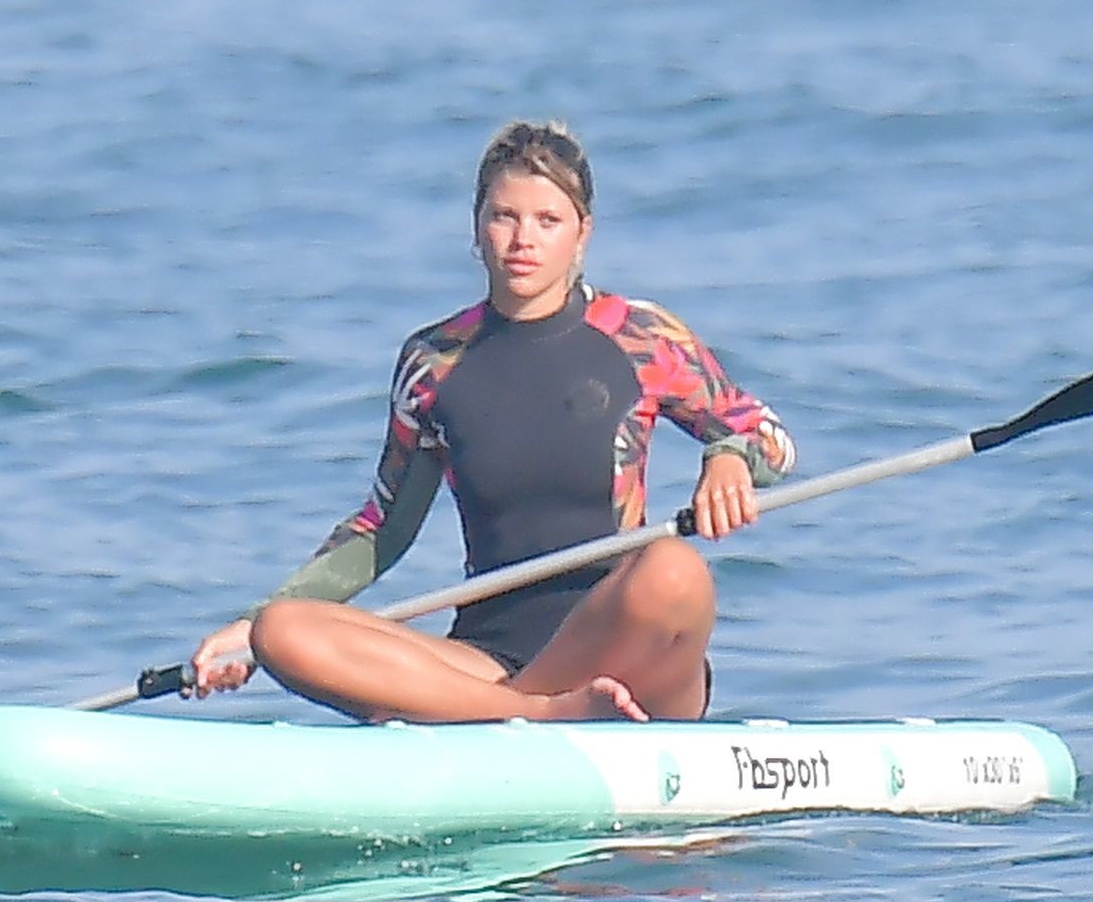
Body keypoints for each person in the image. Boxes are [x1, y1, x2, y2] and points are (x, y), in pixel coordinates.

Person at [189, 120, 795, 723]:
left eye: (548, 221)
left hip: (626, 650)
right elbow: (381, 529)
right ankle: (540, 712)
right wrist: (250, 625)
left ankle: (493, 716)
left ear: (582, 233)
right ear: (477, 227)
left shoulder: (640, 336)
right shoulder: (434, 363)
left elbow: (767, 438)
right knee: (283, 630)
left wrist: (728, 458)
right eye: (505, 216)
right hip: (487, 660)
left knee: (675, 570)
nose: (523, 239)